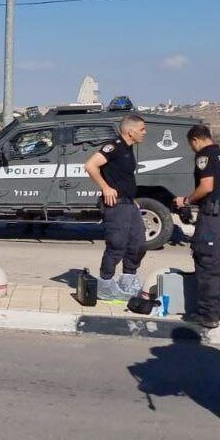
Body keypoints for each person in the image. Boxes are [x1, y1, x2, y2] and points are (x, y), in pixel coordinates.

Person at [174, 125, 220, 329]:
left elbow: (206, 186)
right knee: (219, 262)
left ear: (195, 140)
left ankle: (208, 314)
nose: (193, 149)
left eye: (191, 145)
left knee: (206, 262)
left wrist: (186, 200)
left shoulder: (205, 156)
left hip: (213, 216)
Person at [83, 114, 148, 303]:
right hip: (116, 205)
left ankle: (128, 279)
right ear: (131, 131)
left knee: (138, 243)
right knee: (117, 244)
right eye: (142, 129)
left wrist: (131, 199)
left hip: (128, 203)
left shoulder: (128, 149)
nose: (145, 132)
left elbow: (123, 178)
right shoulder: (114, 146)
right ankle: (105, 284)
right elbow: (90, 165)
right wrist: (105, 188)